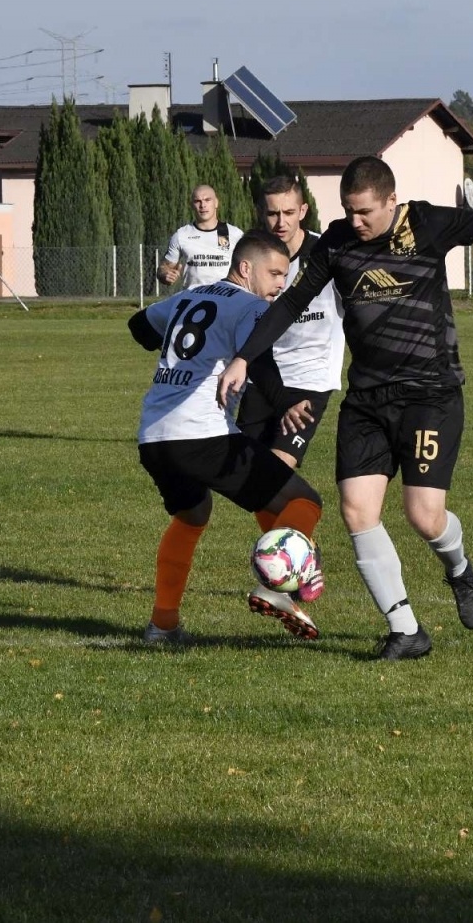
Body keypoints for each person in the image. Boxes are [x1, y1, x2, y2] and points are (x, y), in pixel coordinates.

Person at [218, 156, 473, 660]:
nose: (355, 221)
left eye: (365, 211)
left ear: (391, 201)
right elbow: (289, 303)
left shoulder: (427, 223)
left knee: (424, 516)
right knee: (357, 511)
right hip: (367, 400)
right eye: (348, 210)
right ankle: (406, 631)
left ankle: (459, 569)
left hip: (430, 394)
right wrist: (244, 357)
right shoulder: (338, 241)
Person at [130, 229, 326, 645]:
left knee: (193, 515)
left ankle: (162, 625)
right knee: (304, 502)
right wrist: (285, 403)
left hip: (153, 436)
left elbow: (139, 325)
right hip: (201, 434)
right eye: (275, 273)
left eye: (285, 275)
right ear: (245, 268)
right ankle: (277, 583)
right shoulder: (251, 306)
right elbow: (261, 364)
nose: (281, 284)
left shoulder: (189, 296)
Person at [234, 175, 345, 488]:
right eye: (272, 213)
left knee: (277, 469)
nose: (280, 222)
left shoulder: (327, 254)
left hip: (311, 379)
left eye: (288, 212)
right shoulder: (253, 257)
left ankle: (302, 522)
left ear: (303, 211)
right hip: (264, 376)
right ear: (261, 213)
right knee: (245, 474)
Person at [158, 185, 244, 290]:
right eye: (197, 201)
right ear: (192, 205)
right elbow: (164, 268)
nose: (202, 205)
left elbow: (248, 267)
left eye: (207, 200)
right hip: (193, 297)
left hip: (226, 296)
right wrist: (165, 274)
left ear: (216, 203)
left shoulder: (235, 234)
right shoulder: (181, 235)